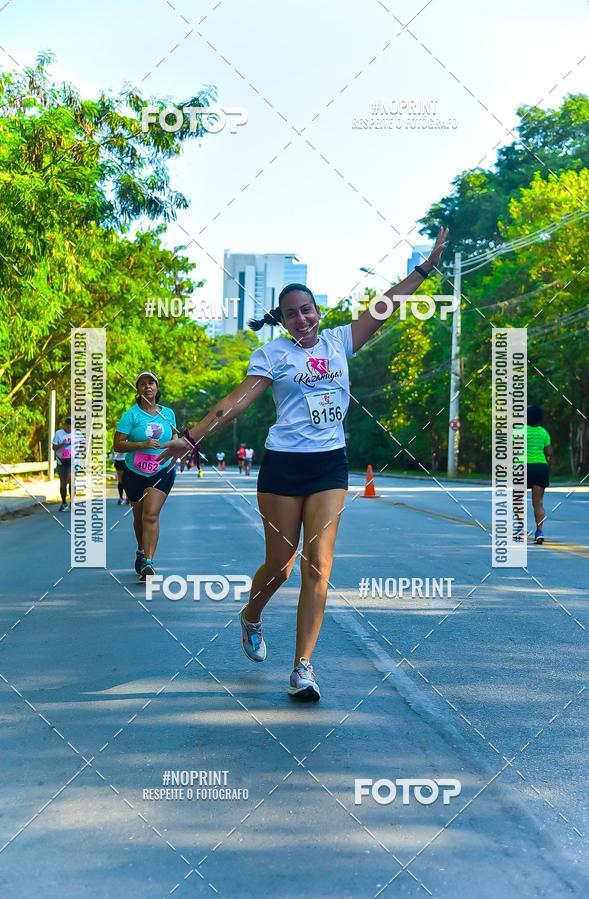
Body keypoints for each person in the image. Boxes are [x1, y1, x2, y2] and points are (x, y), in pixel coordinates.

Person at [158, 227, 448, 701]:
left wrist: (424, 269)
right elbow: (238, 401)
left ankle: (303, 668)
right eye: (291, 313)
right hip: (283, 467)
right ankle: (251, 615)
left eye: (307, 310)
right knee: (281, 566)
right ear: (283, 320)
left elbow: (386, 305)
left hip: (329, 466)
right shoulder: (271, 354)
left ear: (317, 312)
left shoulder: (340, 342)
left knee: (319, 564)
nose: (301, 318)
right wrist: (192, 437)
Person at [113, 372, 177, 579]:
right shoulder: (130, 415)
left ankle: (148, 562)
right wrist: (141, 444)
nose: (147, 386)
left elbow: (174, 435)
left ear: (157, 388)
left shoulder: (168, 414)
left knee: (150, 514)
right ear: (138, 390)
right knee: (139, 516)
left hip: (161, 470)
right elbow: (117, 444)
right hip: (135, 472)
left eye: (151, 383)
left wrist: (175, 450)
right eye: (142, 384)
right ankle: (141, 550)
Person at [527, 404, 552, 544]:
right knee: (538, 503)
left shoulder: (518, 432)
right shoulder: (544, 432)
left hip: (522, 467)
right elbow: (549, 452)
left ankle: (519, 528)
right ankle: (539, 531)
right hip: (540, 468)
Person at [52, 416, 82, 511]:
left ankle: (72, 503)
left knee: (71, 479)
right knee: (63, 482)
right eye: (67, 426)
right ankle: (64, 502)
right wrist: (62, 444)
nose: (69, 428)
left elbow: (83, 446)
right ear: (64, 425)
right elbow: (54, 447)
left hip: (73, 460)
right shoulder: (59, 434)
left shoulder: (78, 434)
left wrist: (79, 453)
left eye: (71, 426)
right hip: (62, 460)